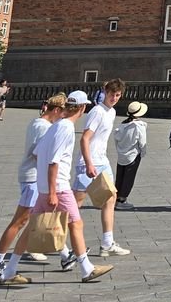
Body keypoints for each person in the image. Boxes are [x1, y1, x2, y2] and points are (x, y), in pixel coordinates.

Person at [0, 90, 113, 286]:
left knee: (32, 227)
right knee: (76, 223)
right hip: (58, 187)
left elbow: (38, 152)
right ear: (82, 108)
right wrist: (51, 191)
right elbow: (53, 161)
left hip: (44, 186)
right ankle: (86, 268)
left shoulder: (56, 125)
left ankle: (9, 270)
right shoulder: (66, 128)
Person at [0, 96, 64, 279]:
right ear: (56, 110)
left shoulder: (36, 123)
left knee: (45, 215)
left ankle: (66, 255)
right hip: (33, 177)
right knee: (20, 220)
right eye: (62, 113)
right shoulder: (43, 127)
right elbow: (37, 154)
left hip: (35, 177)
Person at [73, 78, 128, 258]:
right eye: (112, 94)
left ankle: (107, 242)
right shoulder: (97, 111)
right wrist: (88, 163)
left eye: (118, 95)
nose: (114, 98)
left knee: (110, 199)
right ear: (105, 92)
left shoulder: (111, 112)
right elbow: (85, 139)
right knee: (75, 205)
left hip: (102, 161)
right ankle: (50, 237)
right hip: (89, 162)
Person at [113, 100, 148, 211]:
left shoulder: (122, 124)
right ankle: (122, 200)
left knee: (120, 176)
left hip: (121, 154)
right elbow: (142, 142)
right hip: (133, 154)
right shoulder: (139, 126)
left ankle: (117, 198)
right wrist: (143, 152)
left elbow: (116, 139)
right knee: (129, 177)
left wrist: (120, 150)